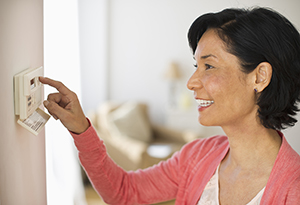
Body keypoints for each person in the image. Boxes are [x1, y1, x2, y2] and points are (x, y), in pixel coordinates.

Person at [40, 7, 300, 205]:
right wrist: (81, 129)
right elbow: (123, 191)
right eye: (195, 66)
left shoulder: (294, 188)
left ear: (259, 77)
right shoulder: (197, 157)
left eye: (209, 66)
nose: (191, 82)